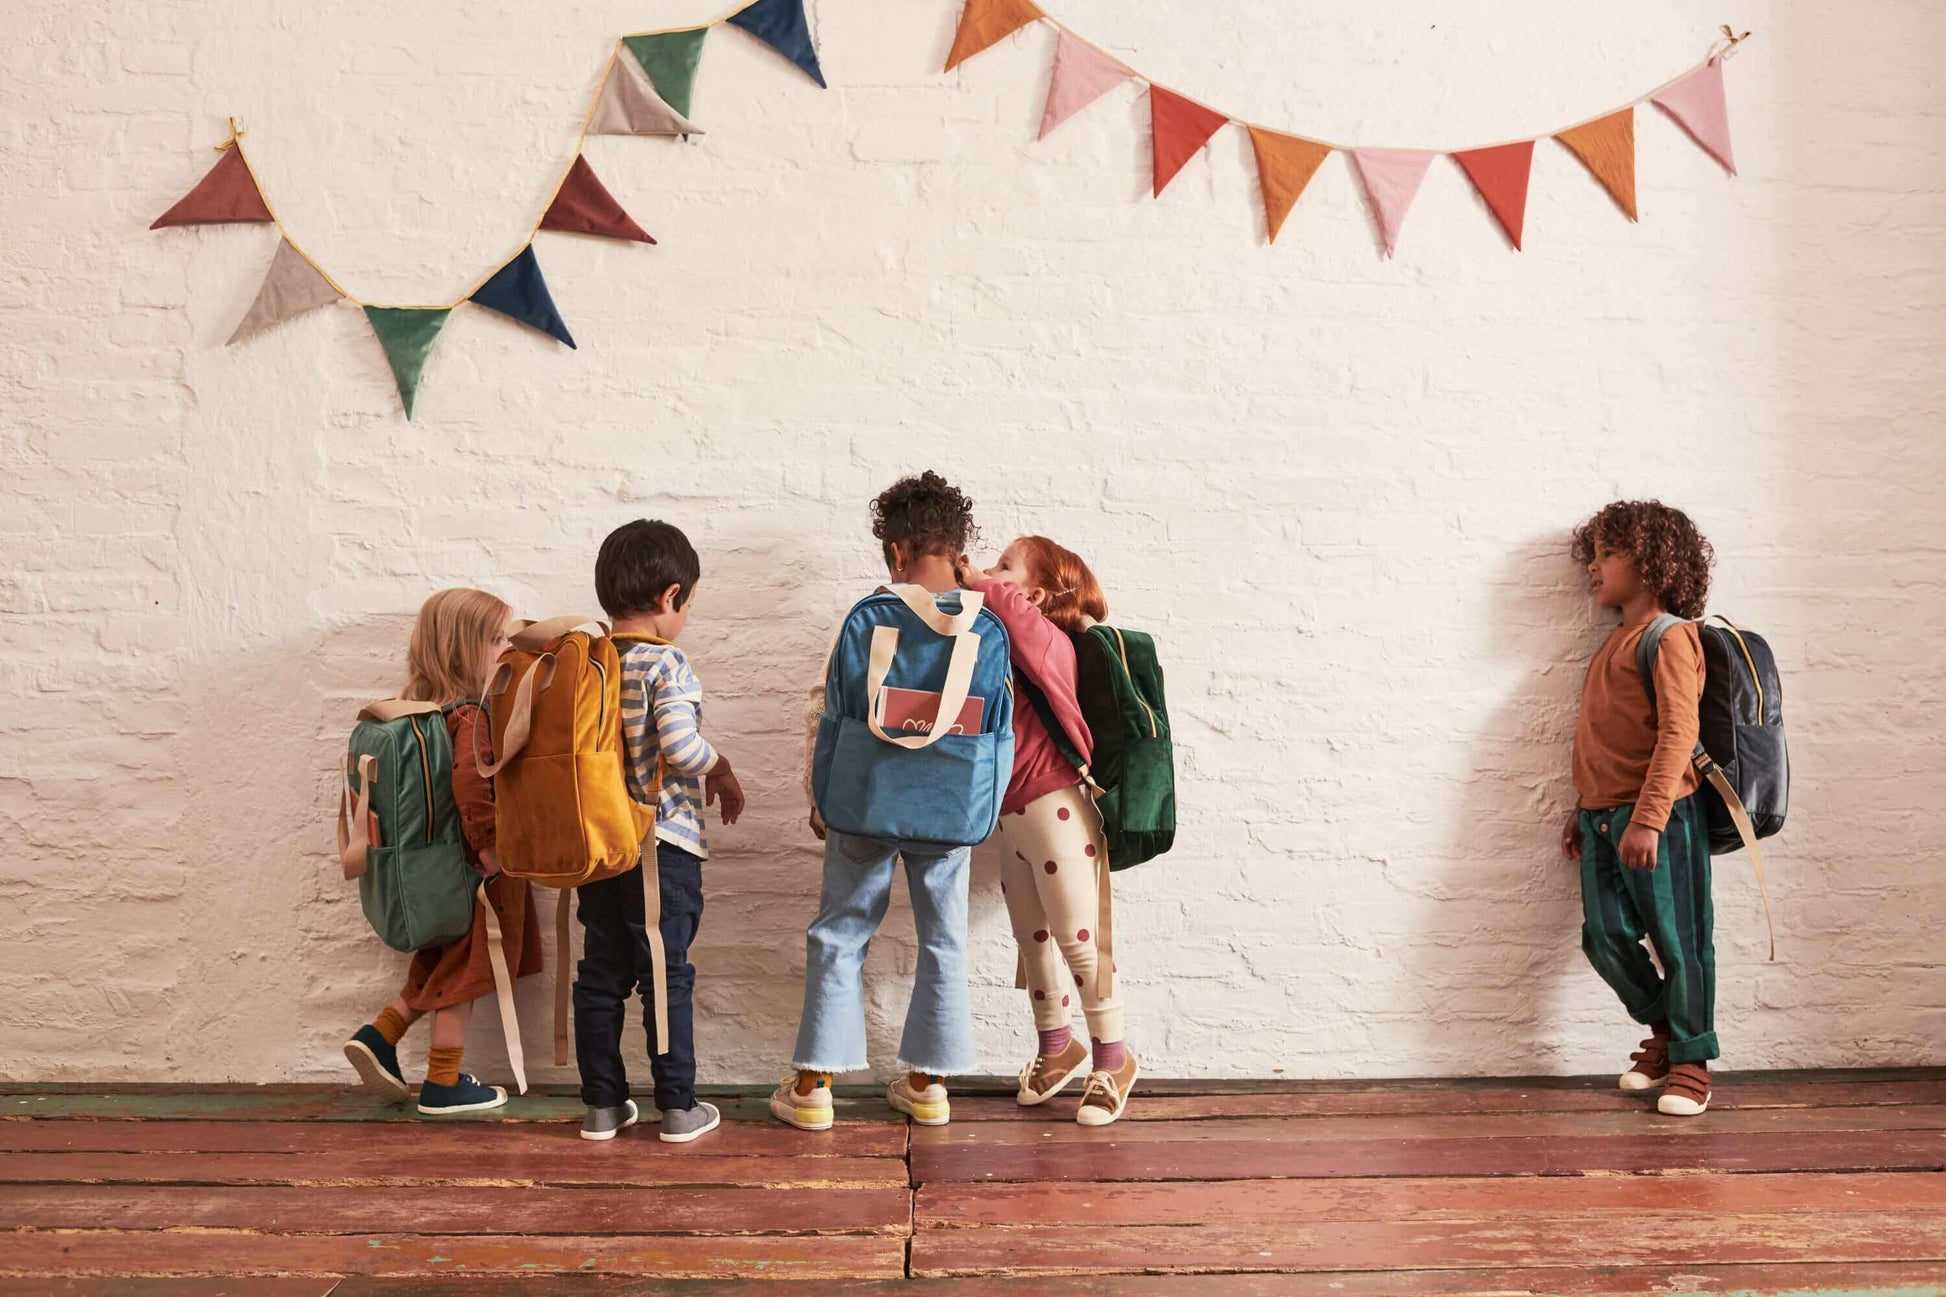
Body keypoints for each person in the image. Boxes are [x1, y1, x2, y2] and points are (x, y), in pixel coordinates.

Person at [772, 471, 986, 1131]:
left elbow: (823, 708)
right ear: (957, 548)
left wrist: (819, 794)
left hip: (865, 798)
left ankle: (813, 1087)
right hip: (949, 805)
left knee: (841, 929)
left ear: (896, 551)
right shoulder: (984, 624)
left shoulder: (870, 618)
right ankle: (928, 1084)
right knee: (944, 936)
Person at [959, 537, 1138, 1125]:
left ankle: (1114, 1059)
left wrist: (975, 582)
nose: (988, 569)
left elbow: (1013, 614)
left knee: (1078, 939)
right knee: (1031, 940)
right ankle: (1056, 1046)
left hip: (1057, 805)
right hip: (1011, 815)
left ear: (1031, 593)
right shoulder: (999, 651)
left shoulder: (1051, 644)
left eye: (1003, 567)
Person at [575, 520, 745, 1142]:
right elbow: (678, 743)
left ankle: (602, 1105)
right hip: (659, 845)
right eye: (689, 604)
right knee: (665, 971)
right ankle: (678, 1106)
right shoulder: (664, 661)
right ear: (671, 596)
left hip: (595, 845)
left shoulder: (583, 664)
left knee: (600, 974)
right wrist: (721, 766)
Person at [343, 588, 541, 1115]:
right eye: (497, 638)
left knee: (443, 957)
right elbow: (474, 791)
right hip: (474, 871)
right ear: (462, 650)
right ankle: (443, 1082)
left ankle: (381, 1033)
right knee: (468, 971)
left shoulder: (422, 714)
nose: (506, 648)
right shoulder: (471, 717)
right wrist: (494, 856)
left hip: (436, 869)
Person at [1564, 500, 1719, 1117]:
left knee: (1681, 939)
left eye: (1608, 554)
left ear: (1653, 562)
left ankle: (1691, 1063)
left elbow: (1678, 732)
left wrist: (1651, 817)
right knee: (1603, 936)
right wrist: (1582, 808)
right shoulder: (1615, 642)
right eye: (1592, 555)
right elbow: (1606, 734)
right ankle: (1665, 1030)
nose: (1593, 569)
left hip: (1661, 815)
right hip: (1600, 816)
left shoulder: (1670, 636)